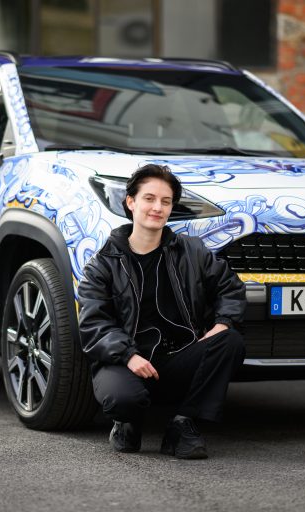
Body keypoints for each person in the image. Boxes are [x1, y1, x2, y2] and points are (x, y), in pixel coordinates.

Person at [77, 164, 246, 459]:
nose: (157, 207)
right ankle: (127, 422)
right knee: (123, 399)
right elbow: (94, 324)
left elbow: (230, 288)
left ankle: (183, 424)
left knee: (230, 341)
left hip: (175, 359)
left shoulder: (192, 251)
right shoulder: (102, 264)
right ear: (131, 203)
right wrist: (128, 356)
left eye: (165, 202)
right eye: (149, 199)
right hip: (123, 362)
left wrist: (224, 322)